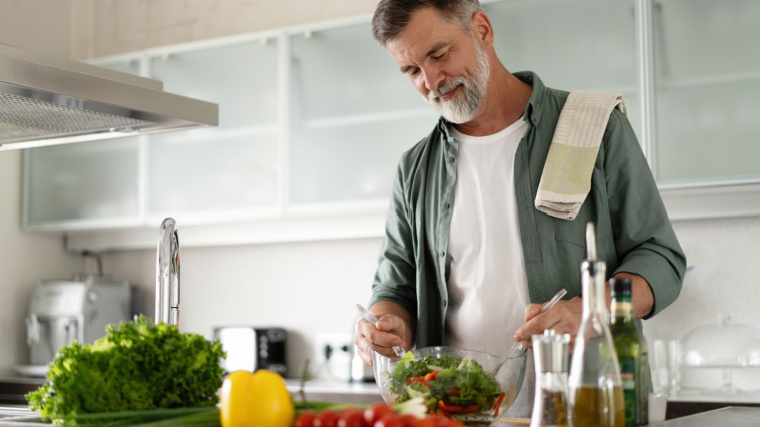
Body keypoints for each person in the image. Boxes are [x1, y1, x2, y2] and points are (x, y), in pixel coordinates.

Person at [353, 0, 686, 417]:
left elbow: (661, 259)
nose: (430, 80)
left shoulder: (591, 127)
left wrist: (587, 311)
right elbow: (395, 287)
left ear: (482, 30)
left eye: (438, 55)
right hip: (456, 415)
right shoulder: (415, 167)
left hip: (589, 410)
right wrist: (385, 324)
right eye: (412, 71)